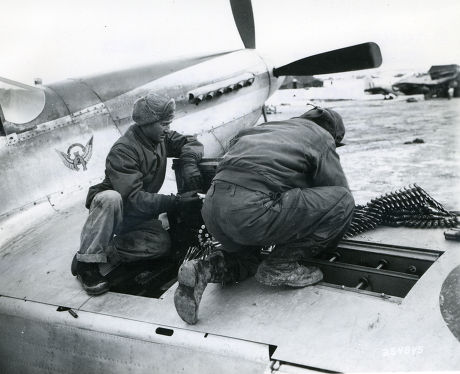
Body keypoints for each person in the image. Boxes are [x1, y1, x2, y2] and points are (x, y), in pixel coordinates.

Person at [174, 106, 354, 324]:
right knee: (344, 201)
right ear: (332, 134)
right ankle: (281, 264)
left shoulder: (262, 129)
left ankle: (203, 269)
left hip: (213, 211)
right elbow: (337, 192)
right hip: (252, 211)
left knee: (247, 259)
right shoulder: (321, 137)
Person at [72, 93, 204, 296]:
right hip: (116, 210)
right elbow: (133, 199)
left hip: (136, 215)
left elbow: (191, 142)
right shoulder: (124, 150)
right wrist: (176, 202)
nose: (168, 128)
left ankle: (105, 252)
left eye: (169, 123)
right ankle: (86, 264)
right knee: (110, 197)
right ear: (146, 123)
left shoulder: (159, 137)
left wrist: (188, 162)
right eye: (163, 124)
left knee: (161, 245)